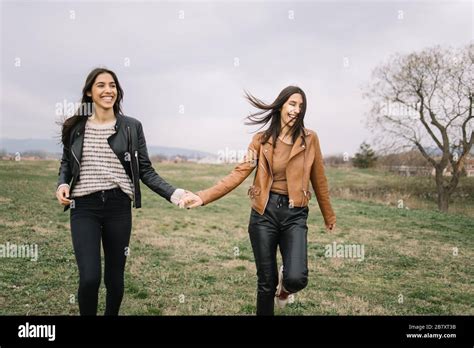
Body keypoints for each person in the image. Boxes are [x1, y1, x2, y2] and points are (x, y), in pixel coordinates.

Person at [181, 86, 336, 315]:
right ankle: (274, 289)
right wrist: (203, 196)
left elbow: (319, 179)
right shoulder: (261, 140)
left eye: (301, 106)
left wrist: (328, 215)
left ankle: (285, 288)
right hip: (264, 214)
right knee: (266, 282)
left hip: (295, 215)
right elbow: (238, 173)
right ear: (281, 105)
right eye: (292, 104)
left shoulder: (310, 139)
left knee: (297, 278)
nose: (296, 110)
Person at [56, 67, 186, 315]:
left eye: (112, 85)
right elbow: (66, 163)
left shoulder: (131, 127)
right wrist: (62, 184)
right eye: (101, 85)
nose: (108, 90)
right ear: (89, 92)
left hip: (118, 208)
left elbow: (145, 170)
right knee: (90, 278)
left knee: (115, 278)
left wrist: (174, 193)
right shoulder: (76, 127)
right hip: (83, 207)